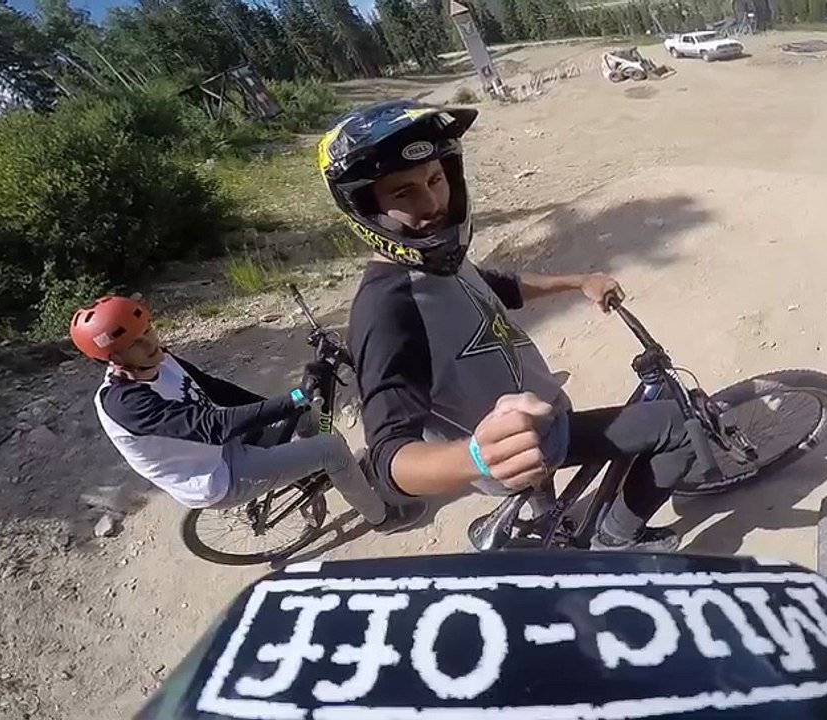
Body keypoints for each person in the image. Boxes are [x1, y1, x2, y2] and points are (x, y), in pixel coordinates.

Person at [318, 100, 698, 551]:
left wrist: (580, 281)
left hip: (538, 419)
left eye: (436, 180)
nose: (433, 204)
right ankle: (616, 538)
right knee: (678, 427)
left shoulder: (437, 260)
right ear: (367, 208)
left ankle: (548, 523)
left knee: (545, 488)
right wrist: (477, 458)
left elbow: (504, 287)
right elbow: (388, 458)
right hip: (518, 442)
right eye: (404, 193)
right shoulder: (386, 307)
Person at [69, 295, 419, 530]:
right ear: (113, 358)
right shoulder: (126, 403)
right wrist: (292, 398)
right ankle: (381, 517)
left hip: (219, 447)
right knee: (332, 450)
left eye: (148, 330)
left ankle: (323, 477)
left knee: (307, 417)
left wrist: (287, 409)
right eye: (135, 343)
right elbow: (212, 427)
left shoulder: (159, 359)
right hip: (216, 476)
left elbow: (215, 389)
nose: (151, 343)